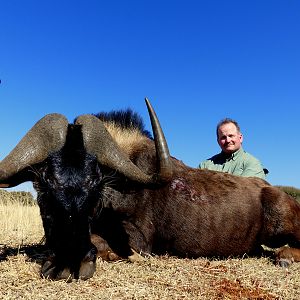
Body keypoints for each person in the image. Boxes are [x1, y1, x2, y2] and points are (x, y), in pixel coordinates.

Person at [199, 118, 267, 179]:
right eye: (223, 137)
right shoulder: (205, 165)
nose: (228, 140)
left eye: (231, 136)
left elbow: (245, 190)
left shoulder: (253, 164)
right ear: (218, 141)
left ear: (240, 138)